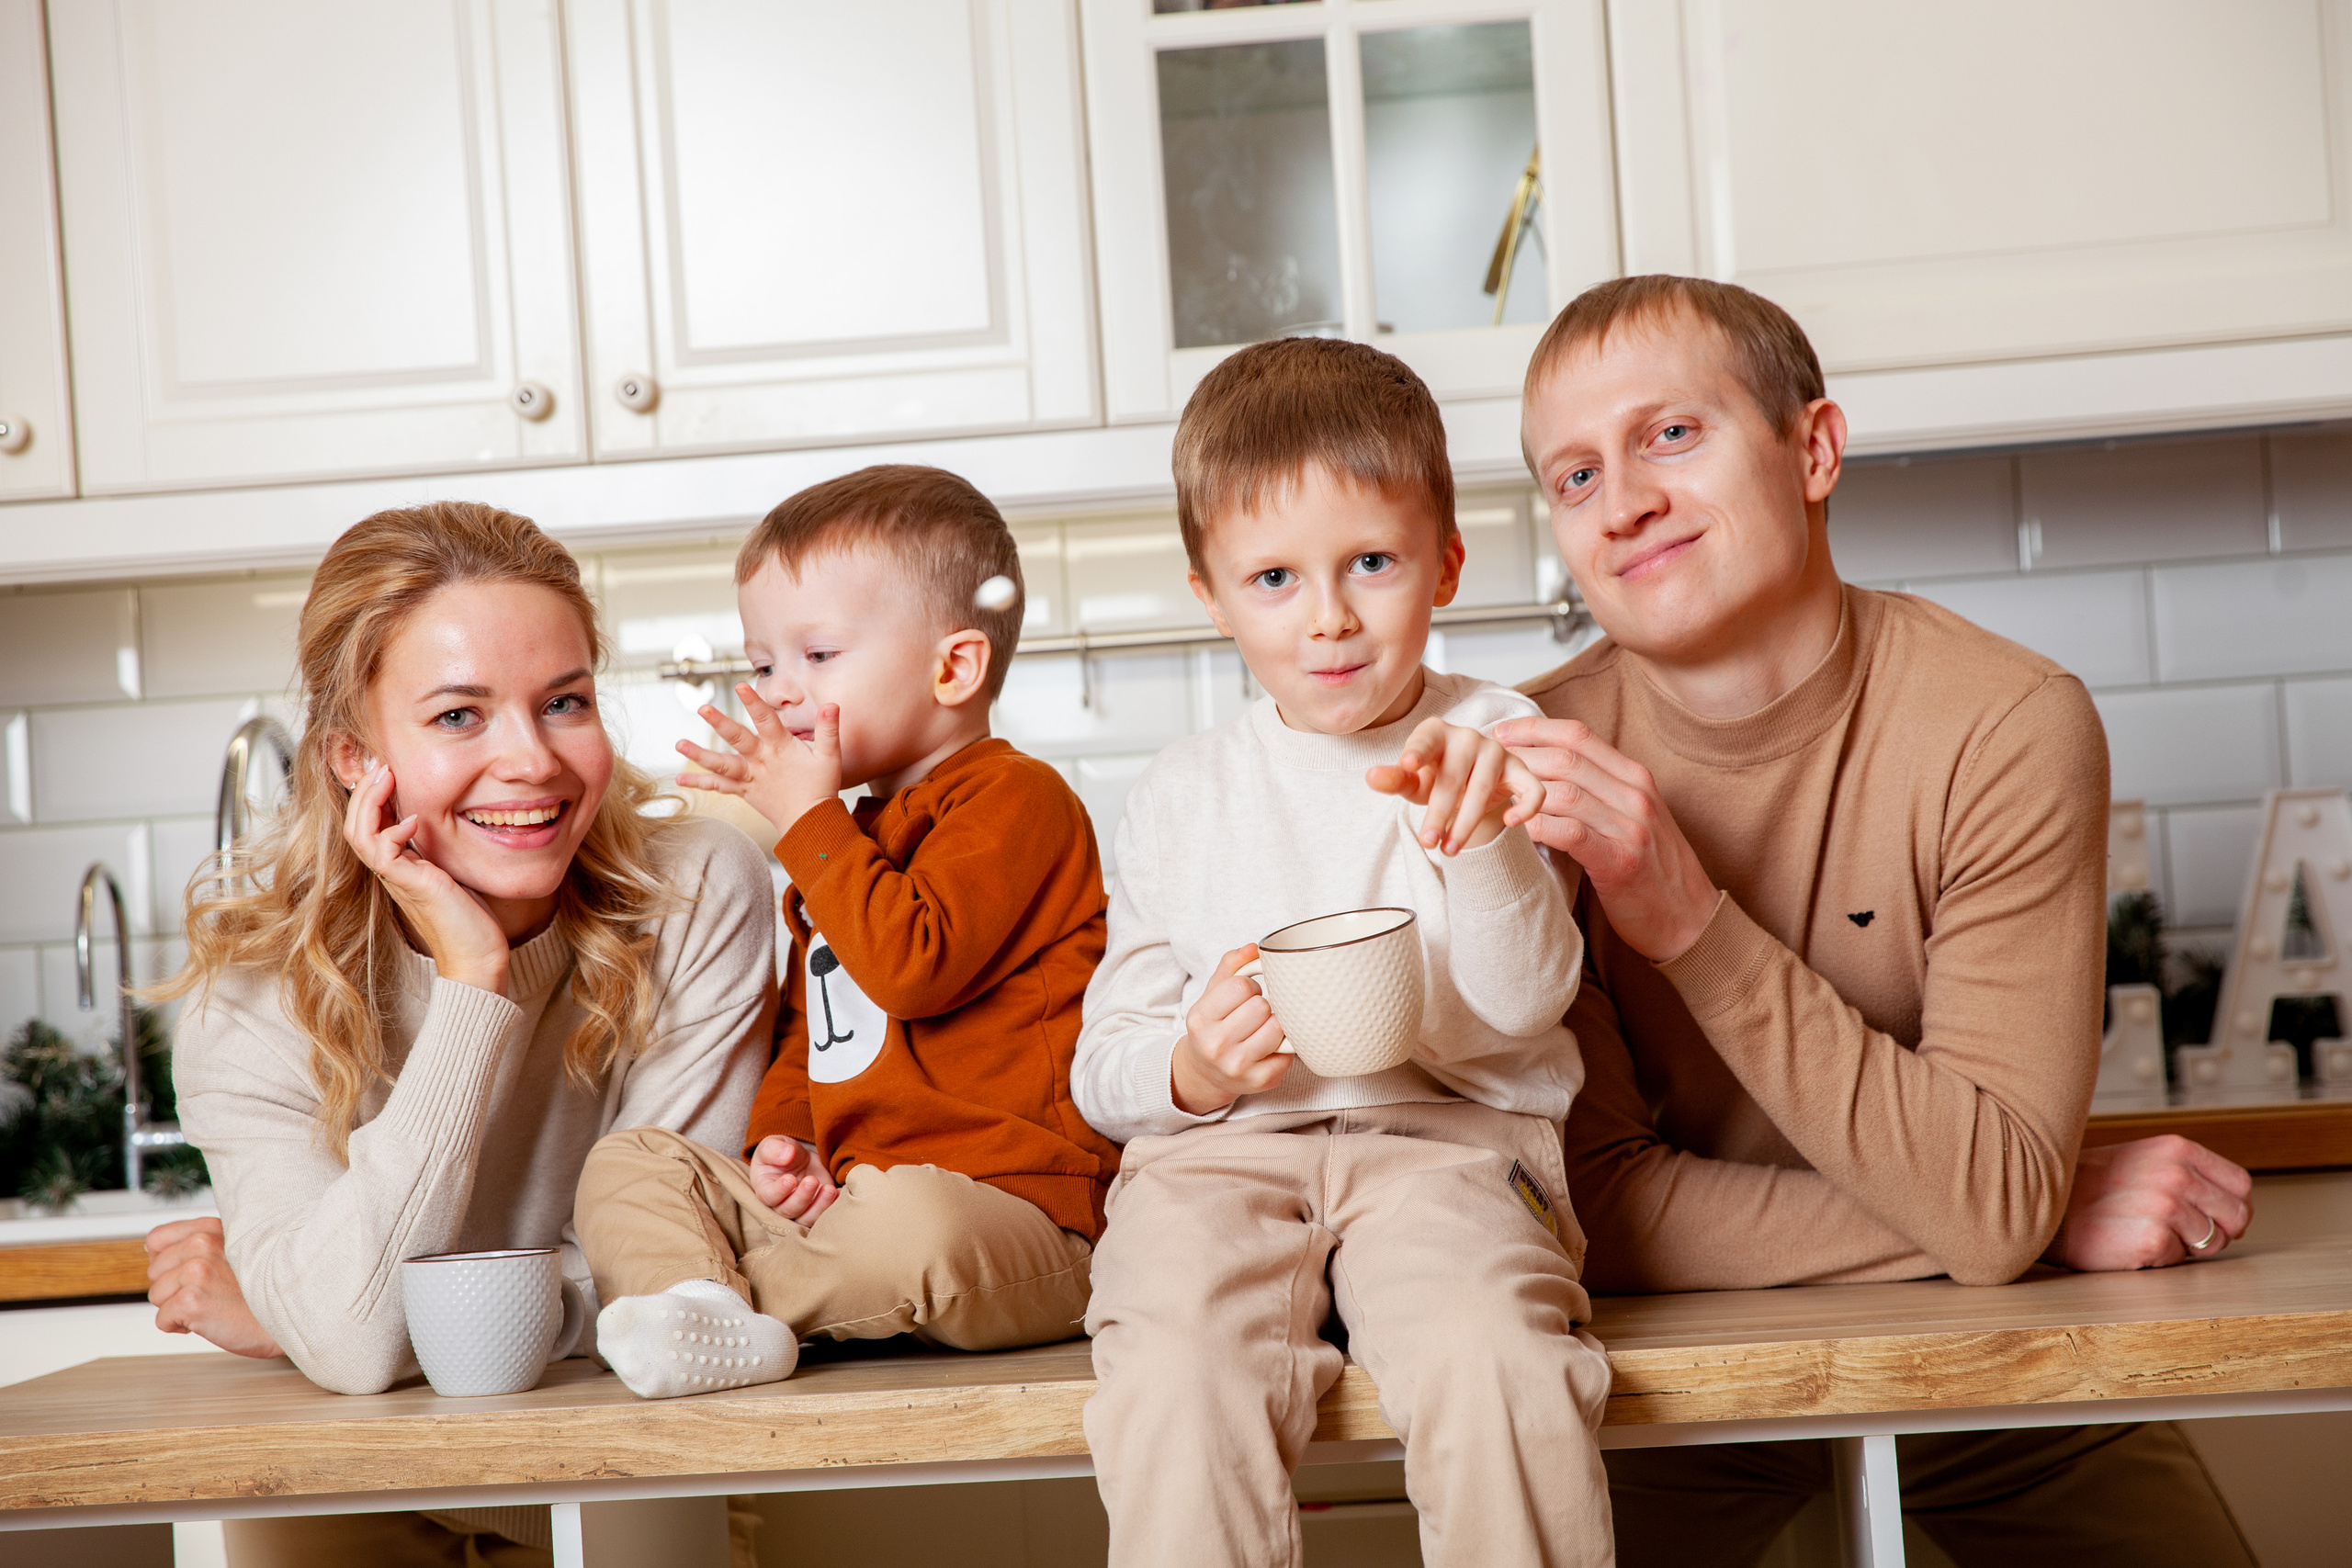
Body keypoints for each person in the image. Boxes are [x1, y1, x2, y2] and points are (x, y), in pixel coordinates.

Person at [1497, 274, 2259, 1565]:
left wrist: (1689, 918)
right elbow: (1600, 1209)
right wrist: (2024, 1206)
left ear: (1814, 448)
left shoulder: (2003, 725)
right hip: (1659, 1381)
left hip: (1996, 1361)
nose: (1620, 502)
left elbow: (1987, 1208)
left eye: (1669, 434)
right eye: (1573, 477)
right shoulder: (1529, 760)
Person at [147, 501, 778, 1564]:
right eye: (458, 716)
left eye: (564, 702)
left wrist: (296, 1315)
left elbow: (677, 1278)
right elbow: (353, 1346)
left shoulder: (697, 890)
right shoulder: (252, 987)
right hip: (346, 1485)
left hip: (624, 1462)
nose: (532, 760)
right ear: (354, 756)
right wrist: (473, 981)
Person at [1075, 338, 1611, 1568]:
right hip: (1217, 1164)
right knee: (1170, 1371)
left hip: (1454, 1149)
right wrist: (1193, 1068)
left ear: (1446, 563)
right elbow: (1104, 1065)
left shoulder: (1497, 738)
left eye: (1371, 562)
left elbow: (1529, 1006)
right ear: (1209, 591)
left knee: (1496, 1362)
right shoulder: (1177, 793)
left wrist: (1481, 841)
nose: (1327, 615)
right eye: (1272, 576)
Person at [573, 465, 1118, 1398]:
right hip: (860, 1204)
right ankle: (703, 1305)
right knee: (634, 1160)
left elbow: (913, 966)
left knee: (914, 1224)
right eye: (762, 665)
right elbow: (811, 1042)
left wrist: (804, 821)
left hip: (1021, 1215)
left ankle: (710, 1298)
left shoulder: (1016, 798)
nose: (782, 692)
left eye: (817, 657)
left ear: (954, 667)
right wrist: (789, 1149)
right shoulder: (845, 839)